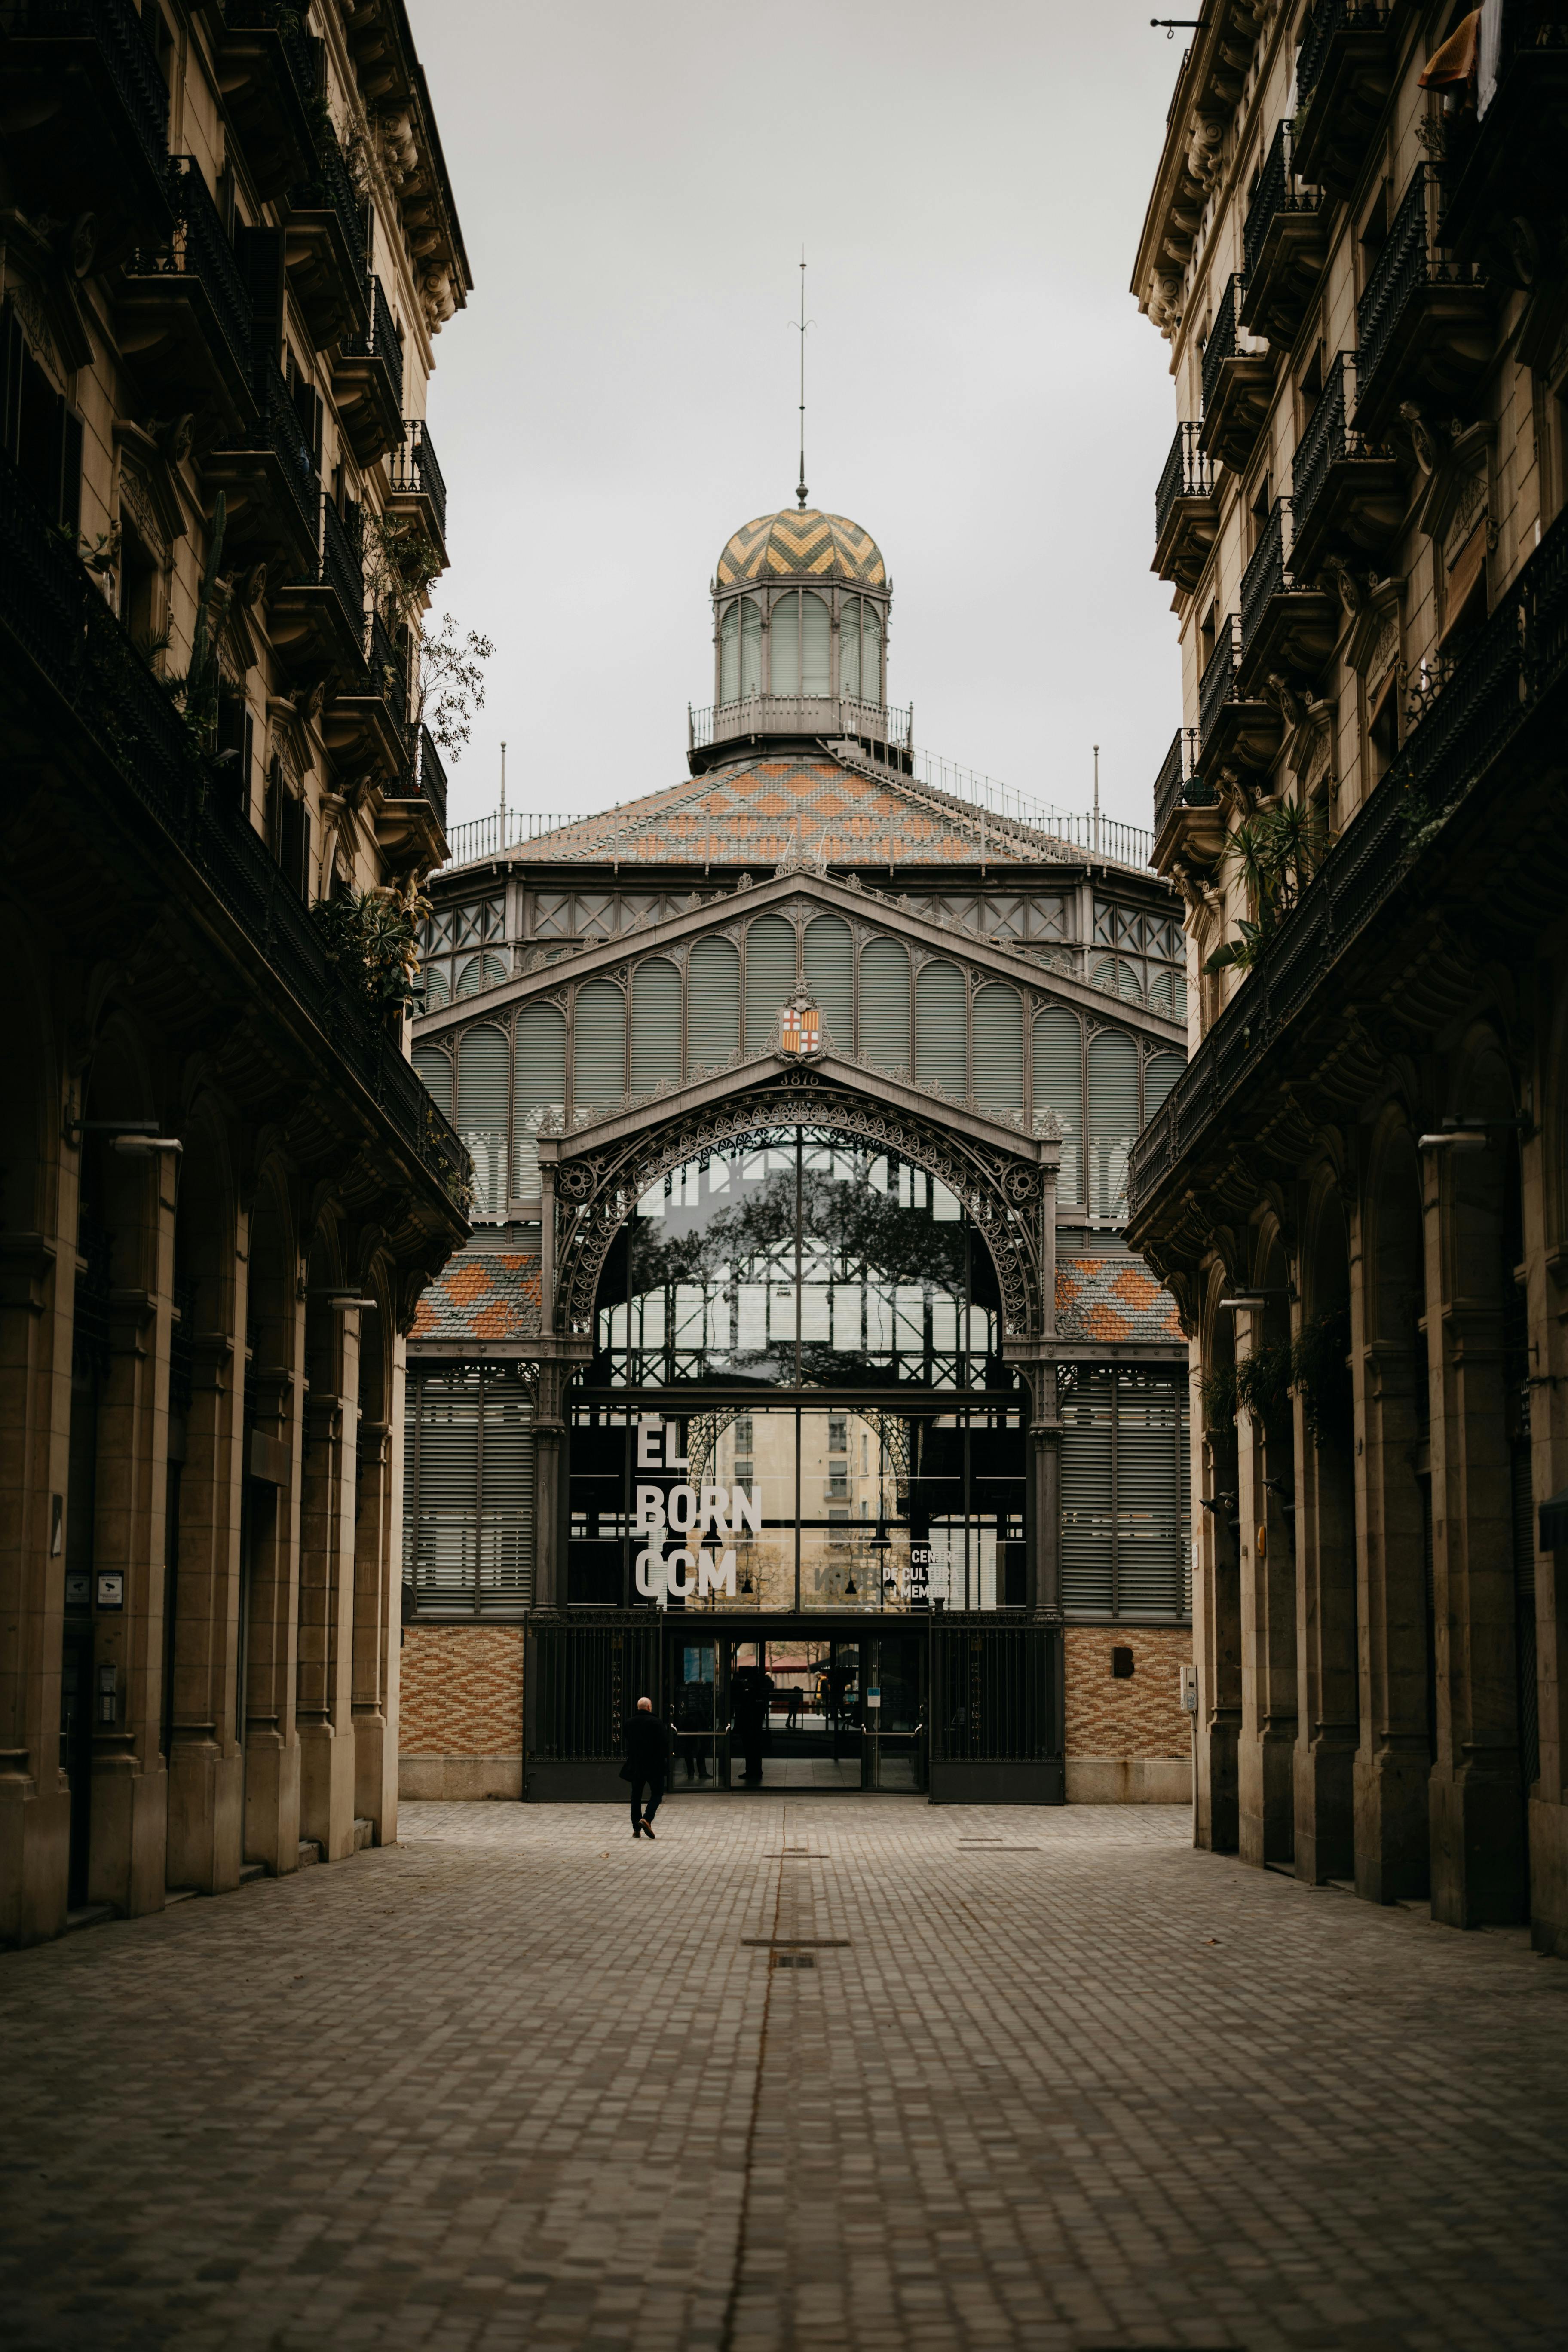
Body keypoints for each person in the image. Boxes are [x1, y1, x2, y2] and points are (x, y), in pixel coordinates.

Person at [622, 1695, 668, 1838]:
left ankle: (636, 1829)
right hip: (654, 1765)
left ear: (638, 1708)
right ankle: (647, 1819)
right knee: (658, 1793)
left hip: (636, 1765)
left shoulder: (629, 1723)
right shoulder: (657, 1722)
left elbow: (628, 1741)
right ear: (649, 1707)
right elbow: (664, 1744)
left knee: (636, 1796)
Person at [731, 1657, 774, 1784]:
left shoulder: (750, 1695)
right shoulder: (761, 1691)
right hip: (756, 1725)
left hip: (749, 1725)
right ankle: (756, 1771)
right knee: (756, 1749)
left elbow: (743, 1707)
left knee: (749, 1749)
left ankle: (751, 1771)